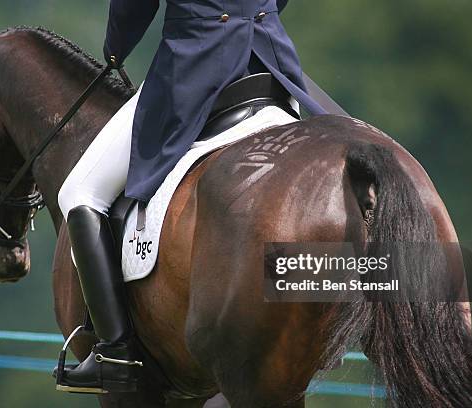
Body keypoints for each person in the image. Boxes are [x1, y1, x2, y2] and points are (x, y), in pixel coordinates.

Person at [55, 0, 326, 393]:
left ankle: (114, 355)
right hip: (272, 63)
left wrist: (116, 50)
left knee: (80, 194)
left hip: (194, 65)